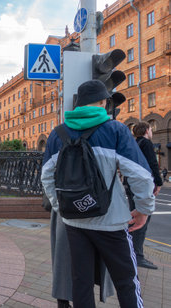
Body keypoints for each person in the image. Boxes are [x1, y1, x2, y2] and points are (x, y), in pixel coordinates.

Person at [41, 79, 155, 308]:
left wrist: (61, 207)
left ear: (78, 103)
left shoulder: (57, 134)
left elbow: (46, 178)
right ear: (103, 102)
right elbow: (141, 176)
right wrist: (143, 209)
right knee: (126, 281)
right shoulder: (115, 130)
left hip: (73, 221)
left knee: (80, 282)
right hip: (111, 222)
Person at [126, 122, 162, 269]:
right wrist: (158, 183)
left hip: (131, 185)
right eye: (151, 129)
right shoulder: (146, 143)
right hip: (142, 186)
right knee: (143, 221)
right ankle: (138, 256)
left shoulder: (134, 144)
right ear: (147, 130)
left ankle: (132, 252)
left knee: (135, 219)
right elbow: (153, 164)